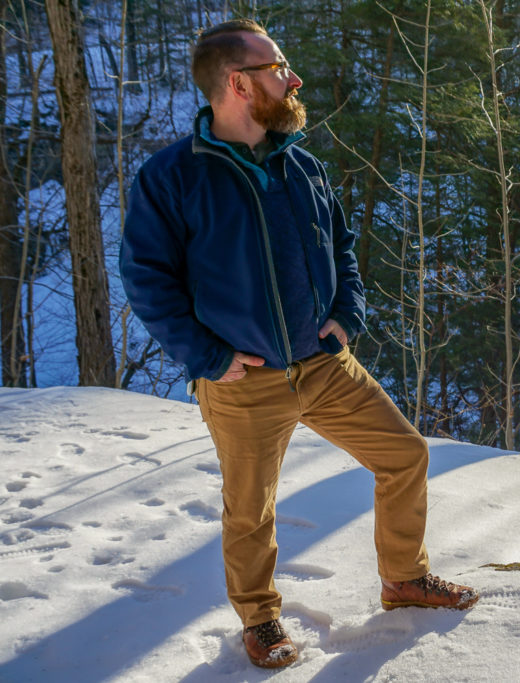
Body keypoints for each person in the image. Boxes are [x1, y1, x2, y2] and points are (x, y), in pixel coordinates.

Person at [120, 19, 478, 670]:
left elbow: (339, 244)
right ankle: (260, 617)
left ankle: (404, 578)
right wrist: (208, 357)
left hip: (324, 366)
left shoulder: (300, 164)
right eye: (278, 67)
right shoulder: (172, 178)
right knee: (250, 509)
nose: (293, 77)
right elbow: (147, 278)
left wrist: (347, 310)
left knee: (405, 454)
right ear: (238, 83)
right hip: (242, 378)